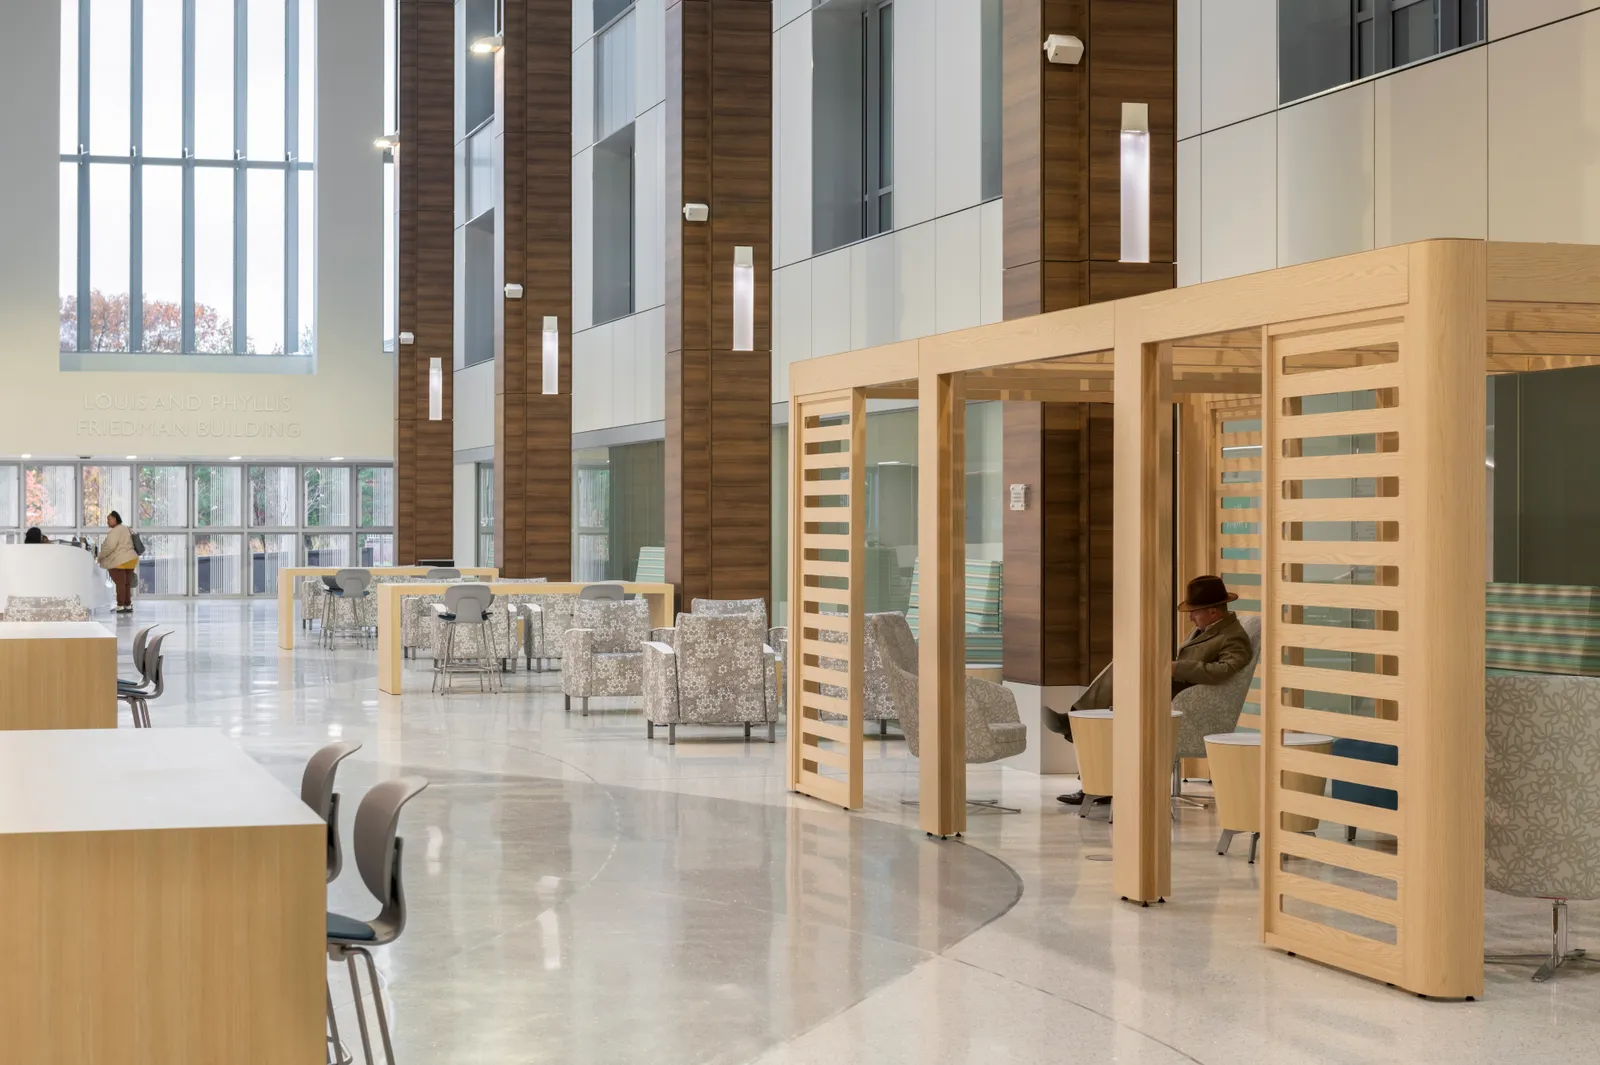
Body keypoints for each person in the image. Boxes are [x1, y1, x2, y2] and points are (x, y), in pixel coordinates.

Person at [1048, 574, 1254, 807]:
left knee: (1118, 700)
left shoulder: (1233, 636)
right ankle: (1095, 775)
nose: (1191, 619)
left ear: (1213, 611)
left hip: (1182, 700)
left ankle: (1078, 727)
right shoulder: (1210, 629)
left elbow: (1225, 670)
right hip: (1168, 688)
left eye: (1194, 613)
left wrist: (1176, 668)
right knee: (1124, 668)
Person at [98, 511, 140, 613]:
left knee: (120, 583)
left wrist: (100, 557)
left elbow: (109, 547)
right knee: (126, 583)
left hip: (120, 559)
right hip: (131, 558)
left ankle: (120, 605)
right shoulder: (126, 528)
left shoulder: (115, 531)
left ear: (114, 519)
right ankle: (128, 605)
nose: (107, 522)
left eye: (109, 519)